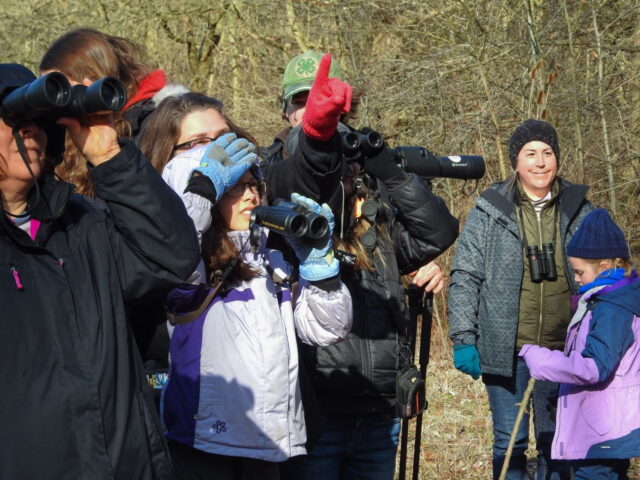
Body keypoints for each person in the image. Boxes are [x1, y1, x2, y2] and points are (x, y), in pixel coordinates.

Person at [264, 52, 459, 479]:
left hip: (378, 403)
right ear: (286, 110)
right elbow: (301, 180)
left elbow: (436, 233)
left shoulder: (373, 194)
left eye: (327, 104)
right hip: (316, 402)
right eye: (302, 102)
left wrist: (388, 169)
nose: (314, 111)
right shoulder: (270, 175)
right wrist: (317, 146)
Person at [0, 63, 199, 479]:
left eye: (40, 121)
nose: (31, 131)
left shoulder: (83, 224)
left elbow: (172, 256)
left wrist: (110, 156)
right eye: (16, 119)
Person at [155, 130, 353, 479]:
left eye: (254, 184)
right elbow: (176, 257)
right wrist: (197, 196)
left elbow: (326, 331)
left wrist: (320, 270)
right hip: (204, 445)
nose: (250, 194)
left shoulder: (270, 262)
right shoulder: (192, 267)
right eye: (233, 185)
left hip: (267, 444)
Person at [448, 119, 594, 479]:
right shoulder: (491, 209)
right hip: (506, 351)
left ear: (557, 160)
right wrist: (464, 339)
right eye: (530, 154)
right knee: (508, 442)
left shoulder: (579, 209)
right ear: (516, 162)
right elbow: (465, 275)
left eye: (547, 153)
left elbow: (604, 273)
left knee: (555, 441)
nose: (540, 162)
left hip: (563, 351)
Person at [519, 208, 639, 480]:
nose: (575, 279)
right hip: (602, 427)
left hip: (604, 430)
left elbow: (594, 367)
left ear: (605, 268)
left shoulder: (613, 308)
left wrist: (541, 359)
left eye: (579, 272)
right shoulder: (605, 300)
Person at [40, 27, 188, 196]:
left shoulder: (161, 124)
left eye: (62, 89)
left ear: (93, 80)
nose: (57, 102)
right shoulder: (68, 130)